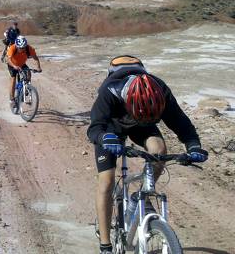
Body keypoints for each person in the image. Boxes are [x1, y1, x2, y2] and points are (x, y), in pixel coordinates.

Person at [87, 55, 208, 254]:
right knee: (107, 181)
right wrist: (104, 137)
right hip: (111, 127)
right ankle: (106, 246)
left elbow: (180, 122)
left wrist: (193, 146)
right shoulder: (109, 91)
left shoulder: (161, 91)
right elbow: (95, 127)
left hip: (142, 122)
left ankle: (140, 194)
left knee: (159, 150)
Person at [5, 35, 42, 109]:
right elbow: (8, 60)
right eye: (20, 48)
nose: (22, 49)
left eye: (23, 47)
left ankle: (27, 88)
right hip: (12, 64)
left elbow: (35, 57)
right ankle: (12, 100)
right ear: (16, 45)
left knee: (28, 73)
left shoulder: (29, 48)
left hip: (21, 64)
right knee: (13, 79)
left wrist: (38, 67)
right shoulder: (12, 48)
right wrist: (14, 66)